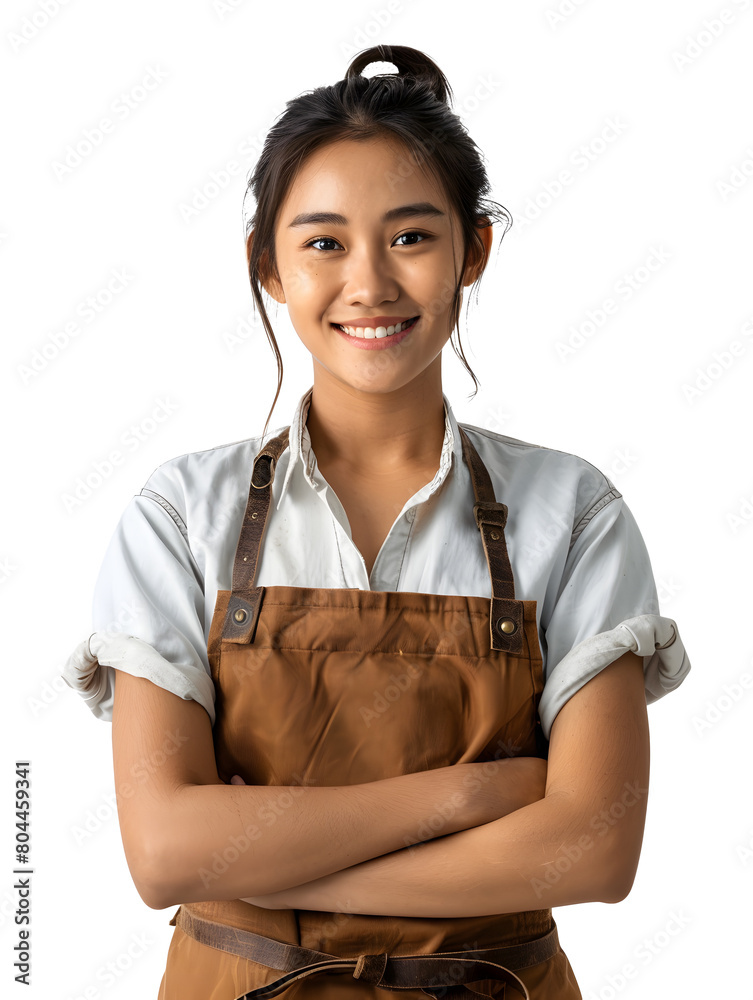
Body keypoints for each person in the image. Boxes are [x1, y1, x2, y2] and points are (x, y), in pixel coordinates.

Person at [62, 43, 691, 1000]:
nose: (369, 283)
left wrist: (264, 863)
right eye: (322, 242)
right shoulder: (180, 515)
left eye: (410, 237)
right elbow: (162, 851)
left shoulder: (572, 513)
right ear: (266, 265)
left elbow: (593, 850)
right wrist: (476, 795)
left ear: (472, 251)